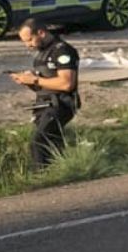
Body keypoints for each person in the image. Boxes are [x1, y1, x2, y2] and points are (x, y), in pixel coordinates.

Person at [9, 18, 80, 170]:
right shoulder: (41, 54)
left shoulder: (62, 51)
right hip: (44, 104)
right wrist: (28, 82)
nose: (28, 45)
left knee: (38, 142)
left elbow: (67, 84)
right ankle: (61, 173)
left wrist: (34, 80)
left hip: (60, 104)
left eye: (29, 40)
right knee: (52, 144)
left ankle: (41, 177)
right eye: (24, 42)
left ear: (41, 33)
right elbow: (44, 85)